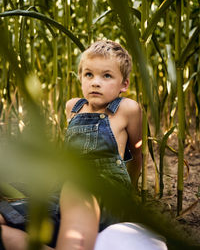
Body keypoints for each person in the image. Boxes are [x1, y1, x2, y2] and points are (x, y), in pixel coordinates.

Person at [0, 39, 142, 250]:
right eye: (88, 74)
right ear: (80, 77)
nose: (95, 82)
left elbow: (137, 155)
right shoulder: (72, 108)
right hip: (62, 194)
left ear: (124, 84)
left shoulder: (127, 109)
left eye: (107, 76)